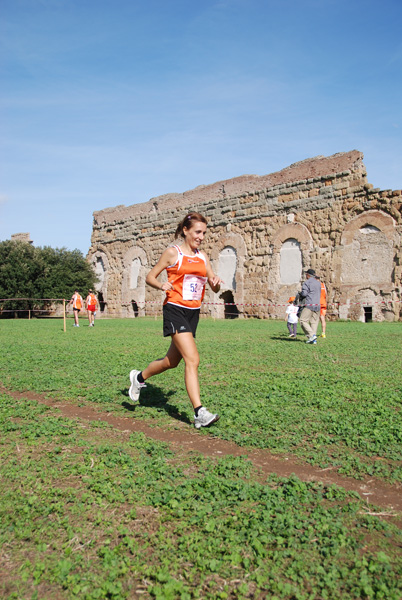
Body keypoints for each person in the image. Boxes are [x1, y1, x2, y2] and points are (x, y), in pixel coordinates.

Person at [128, 212, 223, 429]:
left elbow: (213, 285)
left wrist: (216, 281)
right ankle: (200, 412)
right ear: (185, 230)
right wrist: (161, 285)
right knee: (193, 359)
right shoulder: (173, 253)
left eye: (204, 233)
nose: (201, 237)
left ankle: (139, 378)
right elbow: (150, 276)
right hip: (175, 310)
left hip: (193, 312)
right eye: (197, 232)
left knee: (171, 362)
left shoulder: (203, 256)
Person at [299, 269, 321, 344]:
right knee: (314, 322)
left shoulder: (307, 283)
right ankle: (313, 339)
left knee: (303, 320)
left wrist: (300, 293)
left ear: (308, 275)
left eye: (306, 274)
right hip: (317, 305)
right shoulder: (318, 283)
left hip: (309, 304)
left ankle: (311, 335)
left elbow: (304, 294)